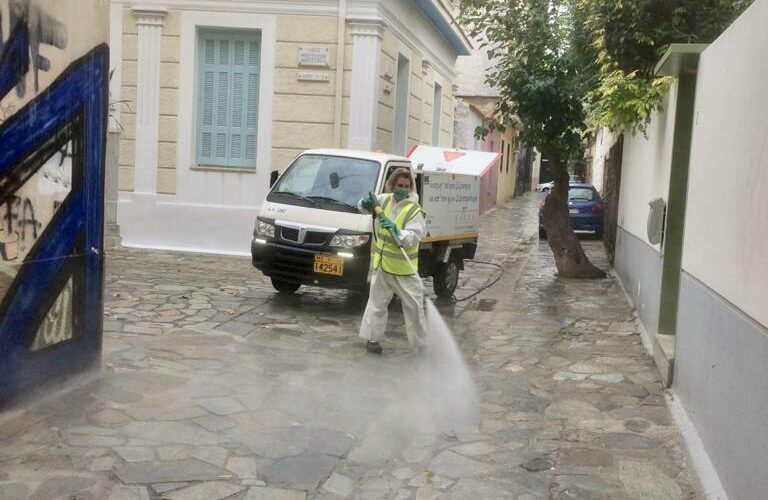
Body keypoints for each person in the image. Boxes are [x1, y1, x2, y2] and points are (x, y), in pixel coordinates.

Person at [358, 168, 429, 353]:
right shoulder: (384, 200)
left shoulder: (415, 210)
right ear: (392, 184)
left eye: (406, 186)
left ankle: (419, 344)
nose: (402, 189)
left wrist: (398, 231)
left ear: (411, 187)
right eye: (399, 185)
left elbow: (414, 236)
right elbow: (363, 206)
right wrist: (365, 204)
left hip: (404, 269)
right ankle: (373, 340)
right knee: (376, 304)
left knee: (414, 308)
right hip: (382, 265)